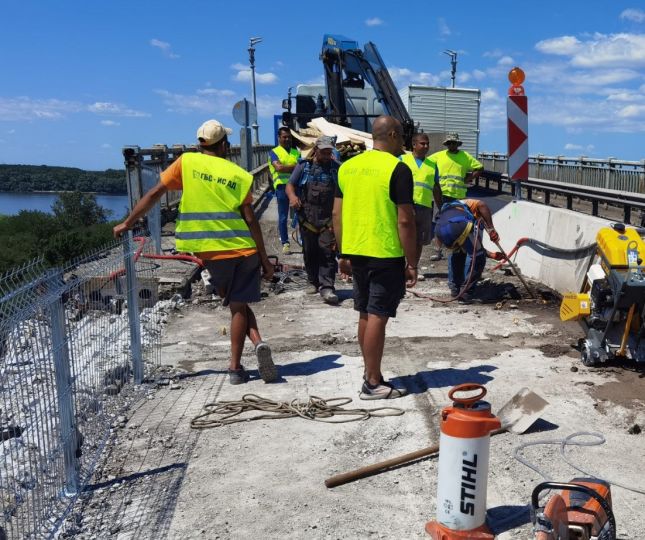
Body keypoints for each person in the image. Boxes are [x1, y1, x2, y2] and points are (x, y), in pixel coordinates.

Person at [113, 119, 277, 385]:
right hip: (245, 250)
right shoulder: (239, 174)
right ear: (224, 145)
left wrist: (128, 223)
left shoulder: (187, 162)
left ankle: (242, 360)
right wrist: (265, 260)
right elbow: (250, 220)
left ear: (201, 144)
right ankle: (249, 353)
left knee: (237, 305)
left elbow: (155, 193)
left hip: (212, 253)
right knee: (239, 305)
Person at [332, 115, 416, 400]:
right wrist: (412, 262)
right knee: (378, 315)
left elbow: (336, 214)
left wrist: (343, 253)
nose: (403, 142)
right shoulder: (398, 169)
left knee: (365, 313)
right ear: (392, 135)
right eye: (401, 136)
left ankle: (370, 373)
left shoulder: (347, 167)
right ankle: (372, 382)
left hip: (356, 252)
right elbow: (405, 221)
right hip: (385, 253)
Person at [286, 136, 340, 304]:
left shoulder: (336, 169)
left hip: (328, 220)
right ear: (316, 150)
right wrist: (293, 197)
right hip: (307, 219)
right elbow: (290, 185)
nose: (327, 155)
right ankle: (312, 281)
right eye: (324, 152)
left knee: (327, 252)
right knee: (309, 252)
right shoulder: (304, 167)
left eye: (329, 152)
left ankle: (327, 286)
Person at [429, 133, 484, 262]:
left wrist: (469, 178)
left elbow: (479, 167)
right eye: (449, 143)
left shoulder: (465, 156)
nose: (452, 145)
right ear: (446, 144)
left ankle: (460, 249)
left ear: (458, 144)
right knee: (440, 222)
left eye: (454, 143)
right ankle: (438, 251)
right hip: (443, 195)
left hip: (459, 197)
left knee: (460, 223)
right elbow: (426, 163)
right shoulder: (439, 156)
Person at [433, 198, 499, 303]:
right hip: (458, 225)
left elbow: (471, 246)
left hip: (441, 231)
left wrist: (491, 254)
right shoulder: (468, 204)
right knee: (478, 257)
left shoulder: (450, 209)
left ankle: (455, 289)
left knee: (458, 253)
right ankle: (465, 294)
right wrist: (491, 229)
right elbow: (482, 205)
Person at [399, 132, 442, 280]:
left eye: (427, 144)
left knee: (419, 240)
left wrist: (441, 207)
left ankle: (413, 267)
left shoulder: (432, 165)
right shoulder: (402, 160)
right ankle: (399, 268)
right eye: (422, 143)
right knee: (402, 237)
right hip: (405, 206)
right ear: (414, 145)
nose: (426, 146)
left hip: (425, 207)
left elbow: (436, 188)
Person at [268, 127, 301, 255]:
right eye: (284, 137)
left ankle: (302, 240)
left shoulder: (296, 152)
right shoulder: (274, 152)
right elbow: (279, 168)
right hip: (281, 187)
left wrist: (287, 167)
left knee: (301, 214)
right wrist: (296, 167)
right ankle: (285, 243)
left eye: (289, 137)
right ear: (279, 138)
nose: (287, 139)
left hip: (296, 186)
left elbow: (301, 167)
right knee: (283, 216)